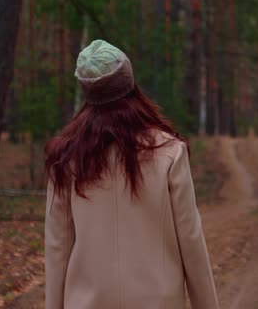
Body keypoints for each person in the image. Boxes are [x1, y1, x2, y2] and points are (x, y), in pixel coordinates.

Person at [44, 39, 218, 309]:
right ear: (130, 85)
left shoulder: (66, 159)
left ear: (88, 93)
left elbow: (58, 248)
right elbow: (191, 240)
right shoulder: (169, 151)